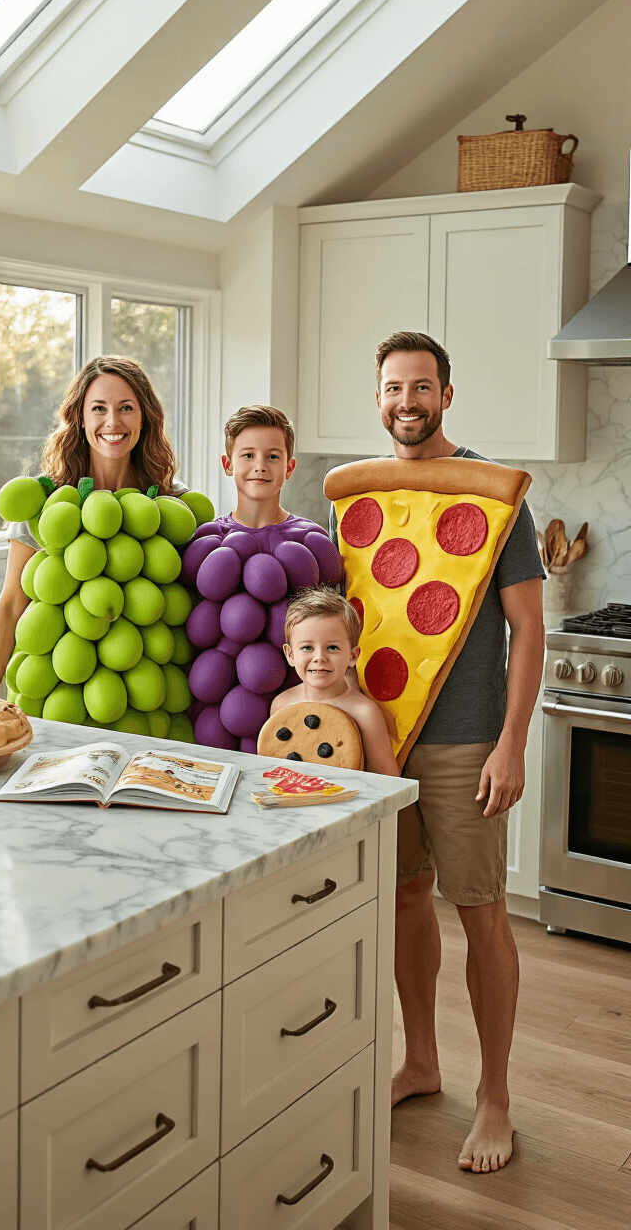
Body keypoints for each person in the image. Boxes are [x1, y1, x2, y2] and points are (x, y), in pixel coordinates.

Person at [328, 330, 544, 1174]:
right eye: (392, 388)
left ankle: (495, 1097)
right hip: (377, 738)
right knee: (405, 902)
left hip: (464, 740)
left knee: (480, 911)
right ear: (377, 397)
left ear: (447, 395)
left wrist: (512, 741)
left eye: (421, 387)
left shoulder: (493, 498)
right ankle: (420, 1061)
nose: (406, 402)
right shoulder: (354, 500)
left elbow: (529, 626)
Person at [0, 355, 182, 708]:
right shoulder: (43, 505)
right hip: (57, 700)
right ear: (80, 418)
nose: (113, 421)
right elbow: (11, 602)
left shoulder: (170, 503)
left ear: (145, 417)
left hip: (148, 705)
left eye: (126, 407)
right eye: (99, 408)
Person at [271, 585, 399, 776]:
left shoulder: (364, 713)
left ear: (353, 656)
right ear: (290, 654)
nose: (319, 657)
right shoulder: (282, 705)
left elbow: (388, 781)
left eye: (332, 648)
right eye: (307, 647)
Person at [219, 404, 298, 530]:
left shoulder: (315, 540)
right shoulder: (205, 538)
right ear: (228, 465)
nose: (260, 467)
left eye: (272, 457)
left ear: (289, 468)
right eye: (248, 455)